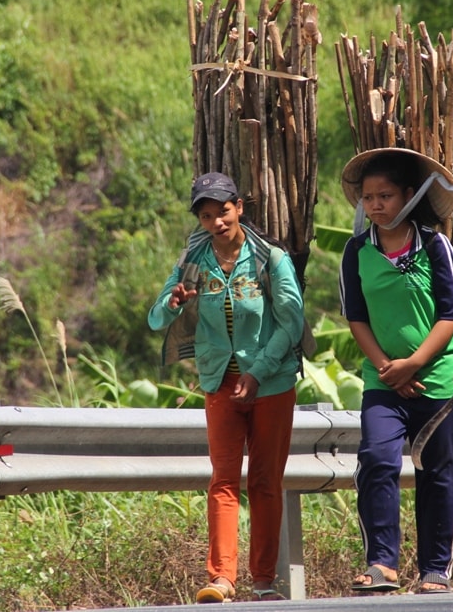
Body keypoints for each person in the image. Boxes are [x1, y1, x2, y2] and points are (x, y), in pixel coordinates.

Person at [148, 172, 305, 604]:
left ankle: (264, 580)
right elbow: (155, 319)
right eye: (206, 214)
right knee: (222, 480)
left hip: (270, 381)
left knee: (265, 481)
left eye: (223, 211)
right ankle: (221, 579)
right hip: (218, 380)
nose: (216, 221)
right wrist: (173, 301)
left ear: (239, 207)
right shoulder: (193, 260)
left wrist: (258, 372)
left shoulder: (269, 257)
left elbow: (291, 321)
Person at [338, 148, 453, 594]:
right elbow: (355, 316)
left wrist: (415, 363)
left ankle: (436, 568)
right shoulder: (356, 251)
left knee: (437, 471)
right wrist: (386, 367)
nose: (376, 204)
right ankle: (382, 563)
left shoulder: (436, 246)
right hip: (383, 381)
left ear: (409, 196)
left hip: (437, 378)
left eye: (386, 195)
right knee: (376, 459)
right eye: (369, 197)